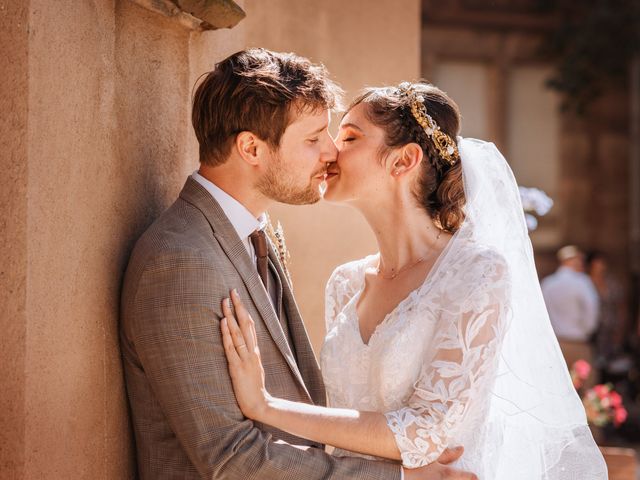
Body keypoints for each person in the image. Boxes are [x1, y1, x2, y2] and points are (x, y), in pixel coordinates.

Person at [220, 82, 608, 479]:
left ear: (403, 161)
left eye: (350, 136)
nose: (331, 150)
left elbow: (424, 433)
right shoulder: (346, 283)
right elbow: (344, 424)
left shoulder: (476, 274)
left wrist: (266, 406)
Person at [120, 49, 475, 480]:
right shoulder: (180, 262)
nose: (331, 152)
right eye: (313, 139)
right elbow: (232, 459)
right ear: (251, 147)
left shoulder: (256, 234)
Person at [542, 245, 600, 380]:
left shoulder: (547, 283)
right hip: (578, 343)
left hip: (555, 344)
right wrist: (586, 331)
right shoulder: (582, 282)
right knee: (586, 392)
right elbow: (591, 311)